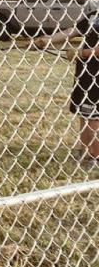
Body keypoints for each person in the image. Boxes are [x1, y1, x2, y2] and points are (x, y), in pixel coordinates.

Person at [33, 9, 99, 161]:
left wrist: (83, 53)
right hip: (85, 71)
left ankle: (96, 155)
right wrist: (46, 40)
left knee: (94, 116)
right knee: (84, 113)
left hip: (96, 74)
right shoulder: (94, 14)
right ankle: (85, 150)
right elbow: (72, 31)